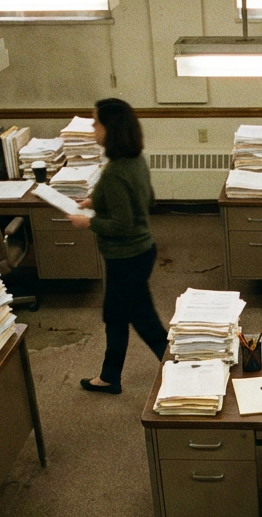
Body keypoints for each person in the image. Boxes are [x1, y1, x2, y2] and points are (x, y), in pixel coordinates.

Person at [70, 98, 167, 395]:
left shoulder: (114, 172)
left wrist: (90, 223)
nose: (92, 127)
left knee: (145, 321)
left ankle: (182, 369)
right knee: (114, 315)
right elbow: (146, 199)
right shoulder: (134, 160)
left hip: (127, 256)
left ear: (109, 129)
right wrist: (96, 201)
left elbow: (123, 225)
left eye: (96, 122)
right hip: (137, 253)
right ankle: (110, 376)